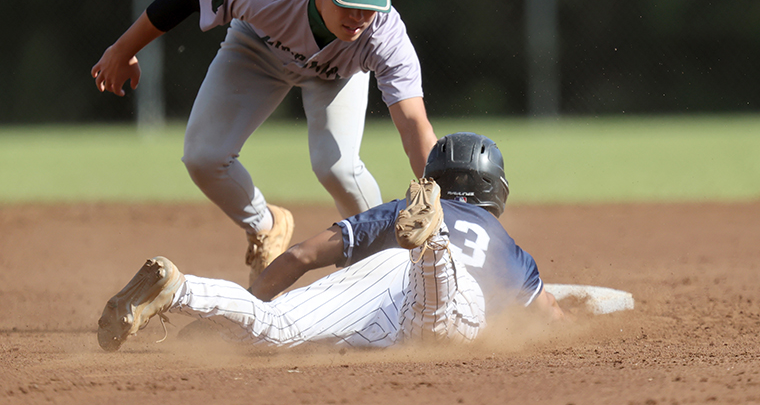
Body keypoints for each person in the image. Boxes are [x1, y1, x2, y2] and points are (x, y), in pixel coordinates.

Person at [90, 0, 438, 285]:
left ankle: (383, 273)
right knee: (203, 157)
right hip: (258, 48)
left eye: (370, 3)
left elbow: (413, 124)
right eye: (348, 1)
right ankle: (266, 226)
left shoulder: (384, 33)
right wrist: (122, 50)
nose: (359, 16)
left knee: (338, 168)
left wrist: (441, 201)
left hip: (338, 74)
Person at [97, 133, 563, 352]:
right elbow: (552, 323)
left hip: (384, 274)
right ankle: (432, 243)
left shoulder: (392, 214)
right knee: (437, 325)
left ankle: (180, 290)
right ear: (494, 189)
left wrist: (232, 311)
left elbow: (300, 256)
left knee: (277, 327)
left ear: (434, 180)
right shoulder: (511, 251)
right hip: (451, 292)